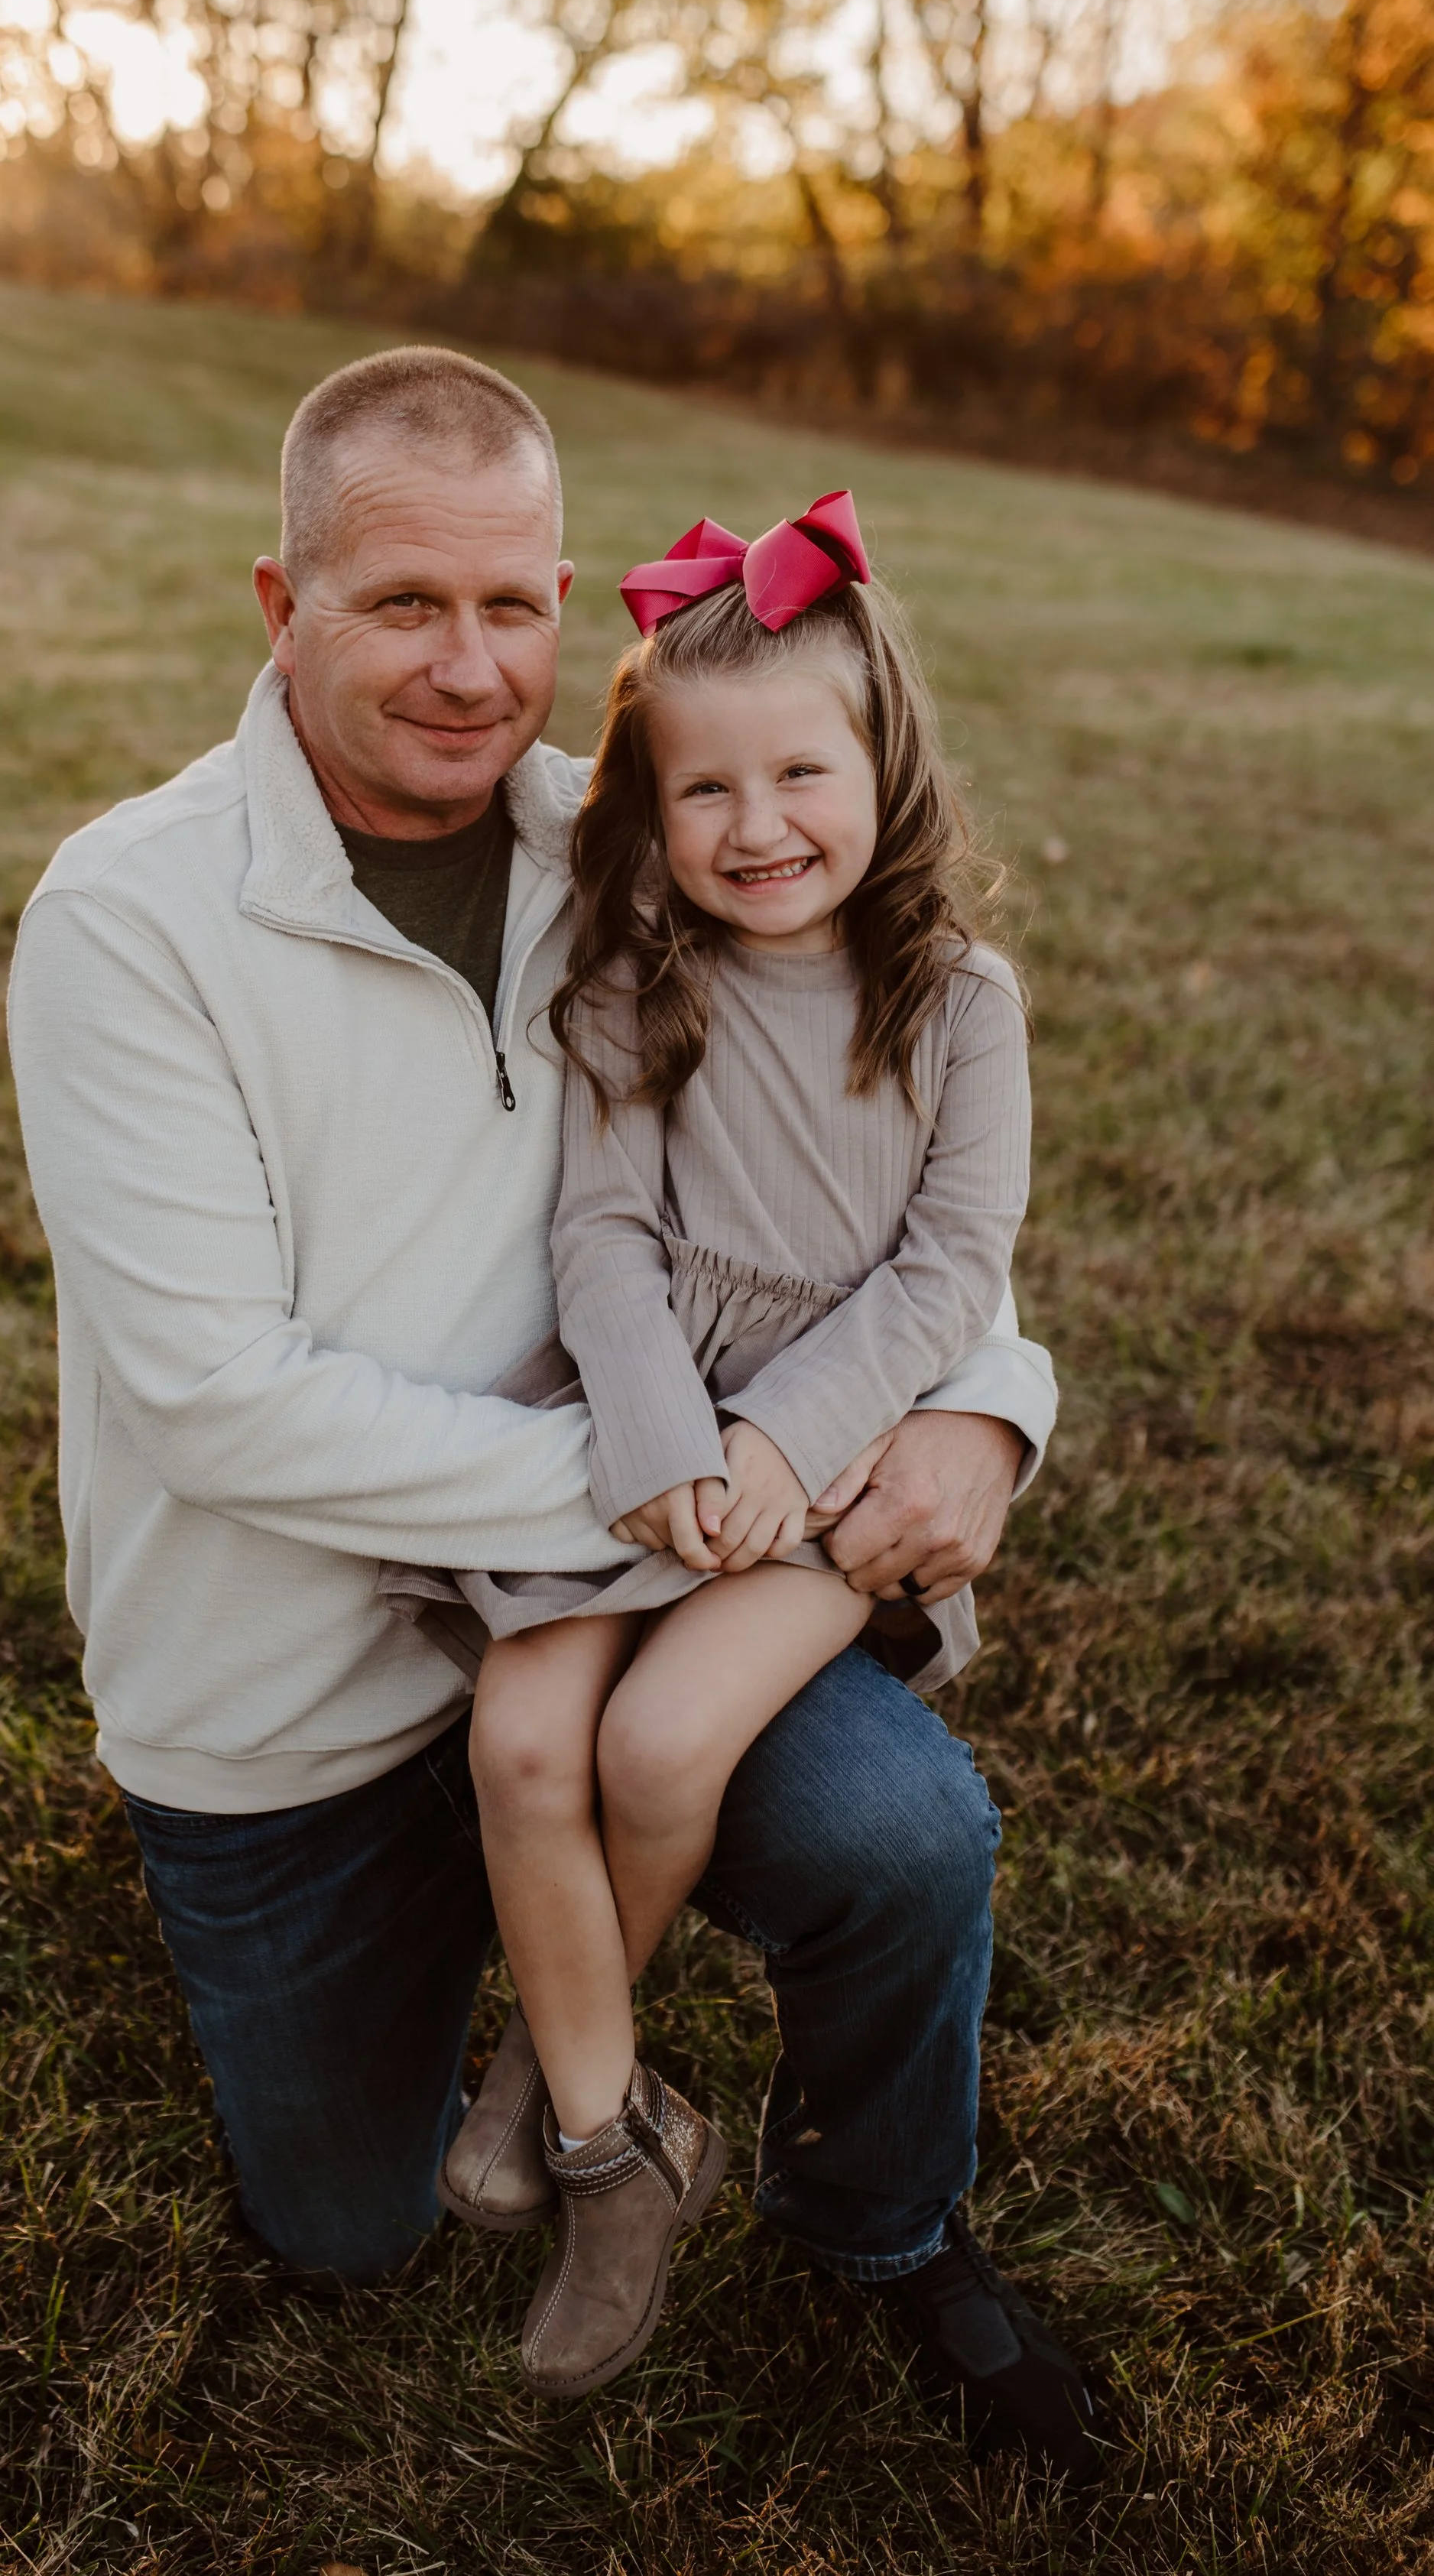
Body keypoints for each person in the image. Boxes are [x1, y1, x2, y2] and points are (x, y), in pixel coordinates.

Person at [7, 346, 1101, 2478]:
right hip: (310, 1688)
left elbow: (873, 1200)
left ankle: (882, 2224)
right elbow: (219, 1405)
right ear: (281, 606)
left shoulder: (638, 835)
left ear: (567, 606)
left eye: (510, 604)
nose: (466, 666)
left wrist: (986, 1405)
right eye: (401, 604)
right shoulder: (129, 922)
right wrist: (689, 1491)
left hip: (668, 1548)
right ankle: (553, 2033)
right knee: (349, 2229)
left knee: (900, 1837)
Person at [392, 492, 1033, 2403]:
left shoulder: (957, 1003)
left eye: (800, 774)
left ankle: (555, 2070)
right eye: (703, 790)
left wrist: (777, 1436)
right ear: (648, 803)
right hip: (636, 1424)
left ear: (883, 761)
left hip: (823, 1471)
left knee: (662, 1744)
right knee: (527, 1740)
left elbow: (949, 1270)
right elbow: (597, 1234)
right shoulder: (631, 976)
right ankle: (613, 2121)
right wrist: (668, 1431)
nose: (756, 827)